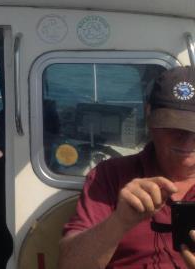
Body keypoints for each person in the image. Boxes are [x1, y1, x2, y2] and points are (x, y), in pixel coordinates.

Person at [59, 66, 195, 269]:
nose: (187, 140)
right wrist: (120, 221)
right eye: (173, 127)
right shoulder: (110, 176)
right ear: (149, 116)